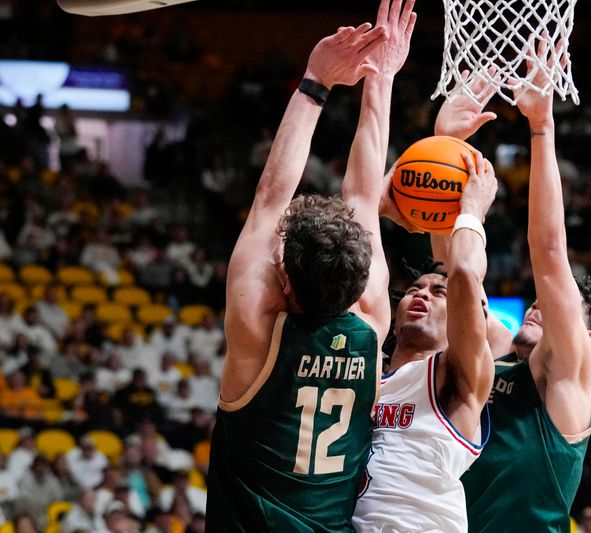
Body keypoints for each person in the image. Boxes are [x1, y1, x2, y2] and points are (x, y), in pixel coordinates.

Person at [206, 2, 415, 530]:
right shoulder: (371, 321)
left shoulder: (257, 326)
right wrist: (381, 78)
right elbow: (366, 196)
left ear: (286, 284)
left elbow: (270, 197)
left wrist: (320, 80)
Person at [457, 39, 591, 532]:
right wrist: (449, 146)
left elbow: (548, 255)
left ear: (584, 341)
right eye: (536, 304)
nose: (537, 307)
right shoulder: (500, 352)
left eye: (556, 308)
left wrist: (541, 127)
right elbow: (454, 280)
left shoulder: (567, 380)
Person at [352, 135, 498, 530]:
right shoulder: (362, 373)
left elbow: (465, 272)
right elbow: (340, 272)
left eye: (438, 292)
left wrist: (471, 210)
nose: (422, 295)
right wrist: (376, 204)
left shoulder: (458, 373)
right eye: (414, 289)